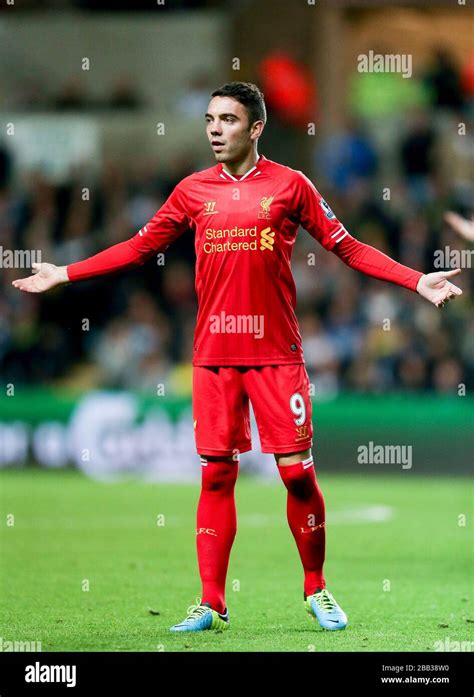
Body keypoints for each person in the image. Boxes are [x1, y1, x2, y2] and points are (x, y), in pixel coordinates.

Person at [12, 82, 463, 634]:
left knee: (297, 477)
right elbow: (138, 247)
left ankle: (316, 588)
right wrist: (66, 272)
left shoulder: (291, 185)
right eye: (209, 119)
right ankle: (211, 602)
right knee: (216, 477)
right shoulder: (192, 190)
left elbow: (346, 246)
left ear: (256, 128)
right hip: (214, 358)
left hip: (277, 356)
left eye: (227, 119)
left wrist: (416, 280)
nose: (214, 129)